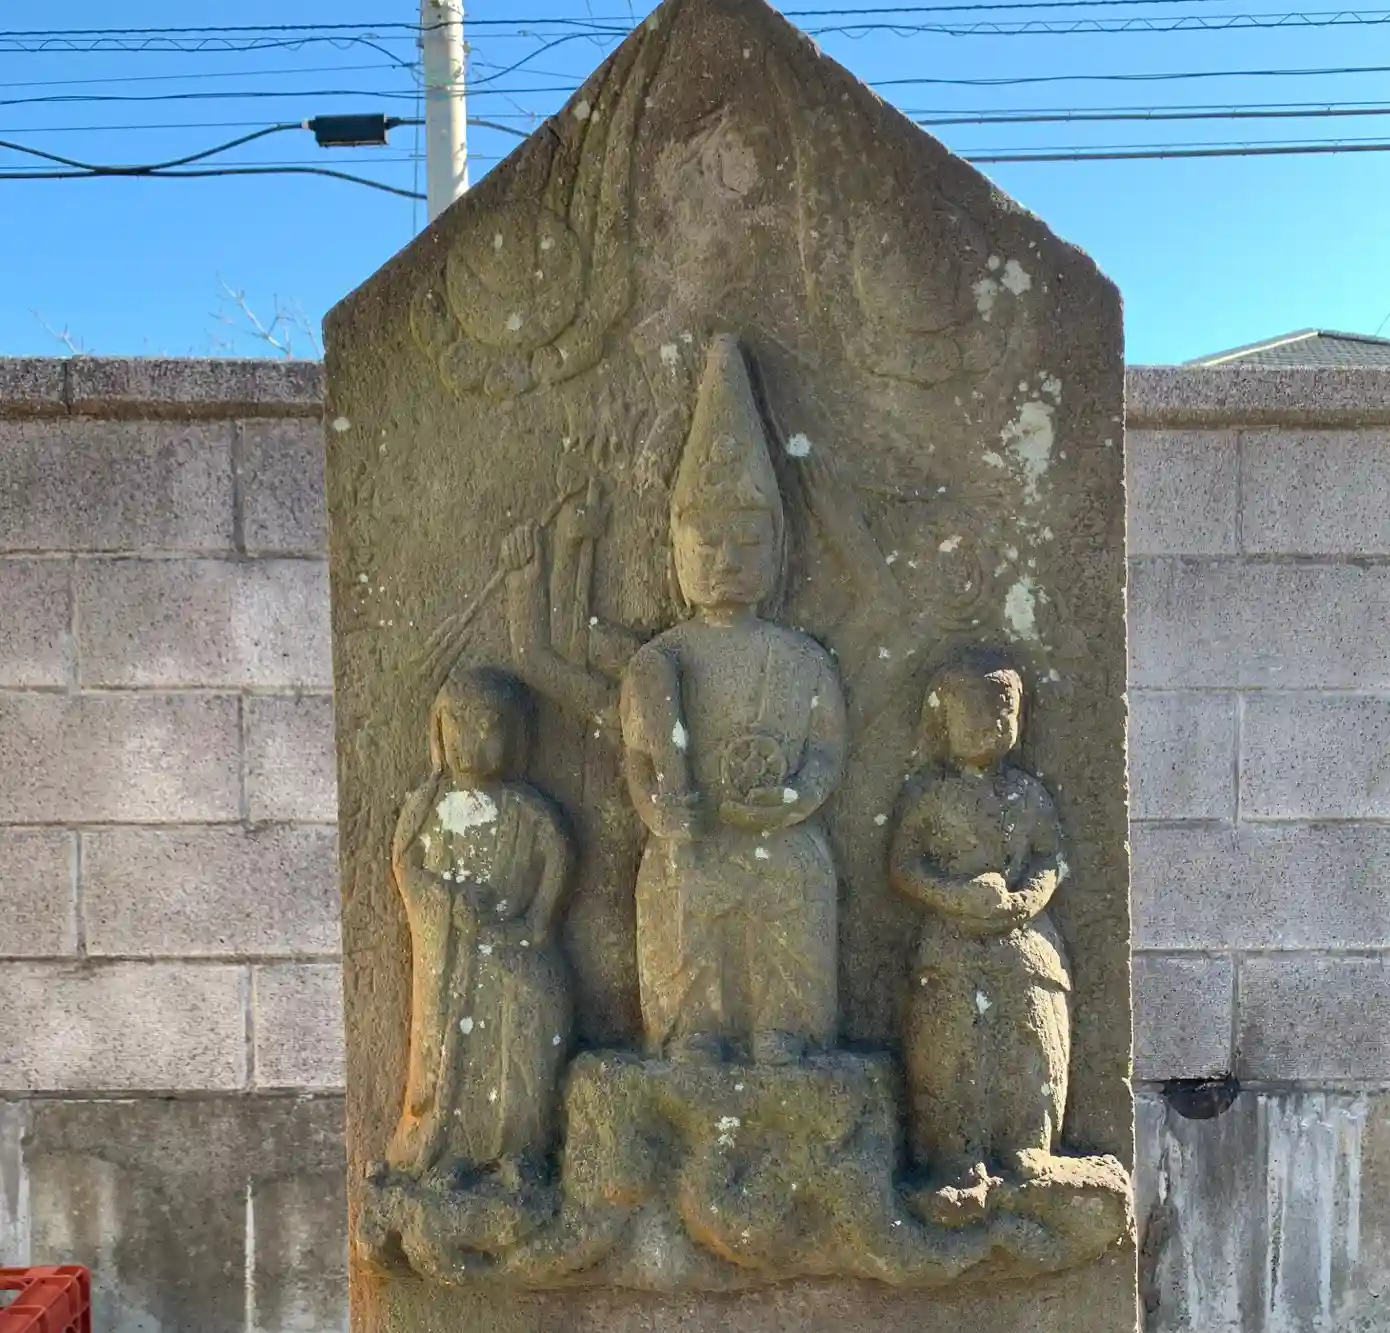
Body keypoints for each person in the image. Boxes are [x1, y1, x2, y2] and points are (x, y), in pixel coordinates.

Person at [619, 334, 846, 1065]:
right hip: (696, 834)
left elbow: (825, 753)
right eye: (708, 544)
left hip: (777, 830)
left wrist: (793, 800)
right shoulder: (658, 662)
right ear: (677, 552)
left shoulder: (802, 660)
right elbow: (639, 759)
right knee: (680, 880)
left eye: (748, 544)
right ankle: (694, 1030)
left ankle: (785, 1027)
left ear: (777, 552)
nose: (727, 561)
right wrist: (659, 809)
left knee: (797, 871)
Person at [889, 657, 1070, 1192]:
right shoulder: (930, 794)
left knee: (1032, 1028)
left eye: (1000, 713)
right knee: (950, 1038)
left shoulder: (1029, 795)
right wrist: (955, 897)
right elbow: (904, 866)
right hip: (950, 938)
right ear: (944, 722)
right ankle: (955, 1151)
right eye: (970, 714)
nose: (986, 725)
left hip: (1021, 937)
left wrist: (1026, 899)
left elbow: (1051, 858)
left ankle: (1028, 1142)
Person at [387, 665, 574, 1181]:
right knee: (458, 1053)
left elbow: (558, 856)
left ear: (516, 736)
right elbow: (406, 868)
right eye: (460, 726)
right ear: (438, 732)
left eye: (489, 726)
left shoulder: (526, 808)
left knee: (524, 1045)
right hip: (453, 960)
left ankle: (523, 1150)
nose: (472, 742)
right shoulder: (428, 807)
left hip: (515, 949)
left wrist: (537, 919)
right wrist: (448, 902)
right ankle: (455, 1153)